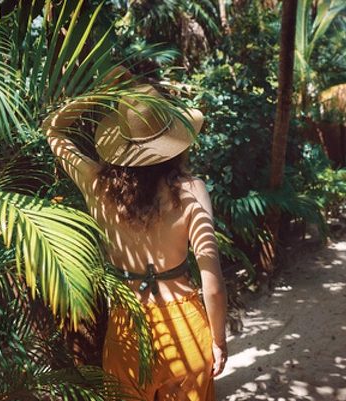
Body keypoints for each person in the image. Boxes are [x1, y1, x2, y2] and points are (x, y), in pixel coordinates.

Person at [42, 78, 228, 400]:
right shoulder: (191, 190)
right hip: (187, 329)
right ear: (174, 140)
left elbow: (53, 130)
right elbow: (212, 283)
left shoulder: (96, 185)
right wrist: (219, 341)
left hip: (129, 331)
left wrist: (99, 94)